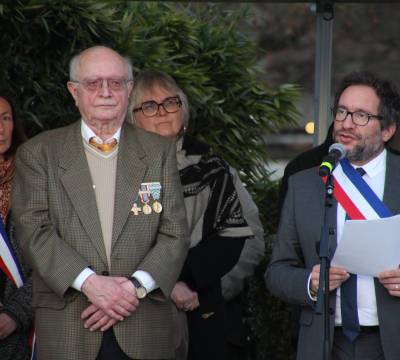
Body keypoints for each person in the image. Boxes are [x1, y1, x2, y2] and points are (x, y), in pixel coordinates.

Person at [11, 46, 189, 360]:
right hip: (70, 325)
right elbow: (33, 231)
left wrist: (131, 289)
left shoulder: (158, 151)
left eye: (116, 82)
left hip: (143, 324)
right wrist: (91, 284)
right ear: (74, 91)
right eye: (94, 83)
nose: (106, 92)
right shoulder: (39, 153)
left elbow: (174, 233)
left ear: (130, 89)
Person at [266, 71, 400, 360]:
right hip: (323, 341)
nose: (346, 123)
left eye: (361, 115)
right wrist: (310, 283)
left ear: (388, 129)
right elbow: (276, 271)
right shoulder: (304, 184)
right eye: (342, 112)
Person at [130, 69, 258, 360]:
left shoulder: (213, 168)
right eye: (149, 105)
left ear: (183, 108)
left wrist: (199, 286)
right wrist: (166, 285)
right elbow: (121, 240)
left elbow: (243, 238)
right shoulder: (120, 169)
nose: (162, 112)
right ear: (131, 116)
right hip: (138, 315)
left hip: (203, 307)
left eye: (170, 102)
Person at [0, 94, 32, 360]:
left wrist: (16, 313)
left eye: (5, 118)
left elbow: (53, 257)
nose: (0, 129)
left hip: (23, 329)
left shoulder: (35, 178)